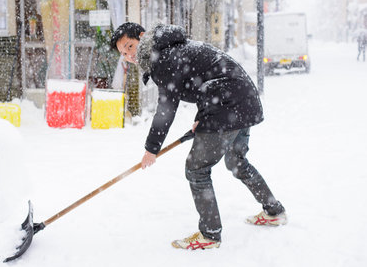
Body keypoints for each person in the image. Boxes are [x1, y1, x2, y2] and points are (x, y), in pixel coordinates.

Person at [110, 22, 286, 250]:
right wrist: (204, 115)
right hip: (242, 101)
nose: (129, 56)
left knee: (196, 169)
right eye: (123, 53)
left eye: (130, 46)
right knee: (236, 162)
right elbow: (204, 77)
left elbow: (166, 109)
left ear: (142, 37)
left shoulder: (162, 58)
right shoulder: (169, 49)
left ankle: (210, 235)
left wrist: (151, 149)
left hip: (227, 105)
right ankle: (274, 211)